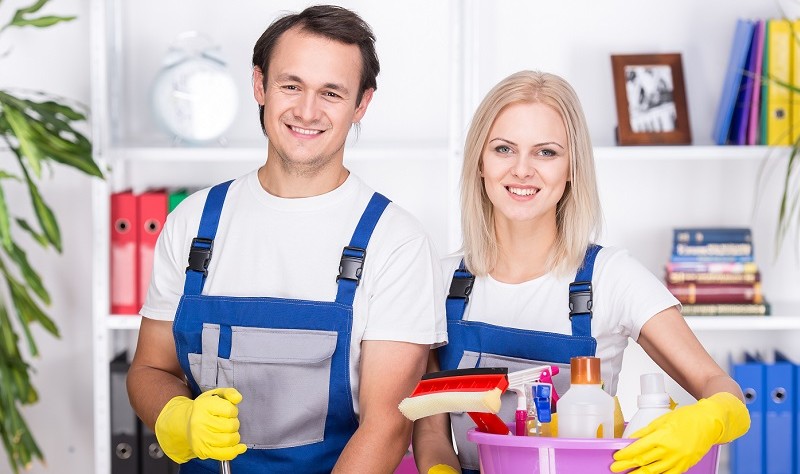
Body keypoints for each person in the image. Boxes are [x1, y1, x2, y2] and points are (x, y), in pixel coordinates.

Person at [126, 5, 447, 473]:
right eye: (291, 85)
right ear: (259, 84)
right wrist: (179, 416)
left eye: (331, 93)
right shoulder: (194, 223)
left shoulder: (394, 242)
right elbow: (150, 370)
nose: (307, 111)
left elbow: (387, 426)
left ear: (362, 103)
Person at [411, 70, 750, 474]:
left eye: (546, 152)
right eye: (503, 149)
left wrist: (707, 421)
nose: (522, 170)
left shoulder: (612, 278)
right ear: (480, 163)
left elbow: (720, 387)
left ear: (572, 167)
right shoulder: (442, 282)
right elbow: (431, 432)